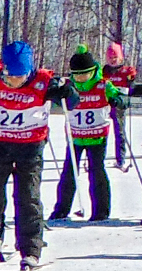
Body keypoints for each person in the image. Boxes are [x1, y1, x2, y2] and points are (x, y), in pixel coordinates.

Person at [0, 41, 59, 271]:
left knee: (28, 196)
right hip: (0, 144)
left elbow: (71, 97)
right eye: (10, 77)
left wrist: (67, 92)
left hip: (30, 147)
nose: (14, 82)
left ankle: (30, 248)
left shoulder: (43, 82)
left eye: (19, 77)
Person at [52, 45, 125, 224]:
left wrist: (118, 101)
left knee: (97, 171)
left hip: (97, 136)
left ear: (93, 71)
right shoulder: (69, 87)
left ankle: (101, 211)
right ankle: (62, 209)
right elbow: (54, 98)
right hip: (75, 136)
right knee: (69, 172)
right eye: (77, 74)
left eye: (84, 74)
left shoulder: (103, 85)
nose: (81, 78)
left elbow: (122, 99)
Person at [105, 42, 135, 169]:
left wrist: (131, 79)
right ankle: (97, 159)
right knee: (101, 133)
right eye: (110, 58)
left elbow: (131, 88)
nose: (112, 61)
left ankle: (120, 159)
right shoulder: (104, 71)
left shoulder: (125, 71)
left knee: (120, 133)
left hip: (119, 106)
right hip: (105, 105)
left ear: (120, 58)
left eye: (115, 58)